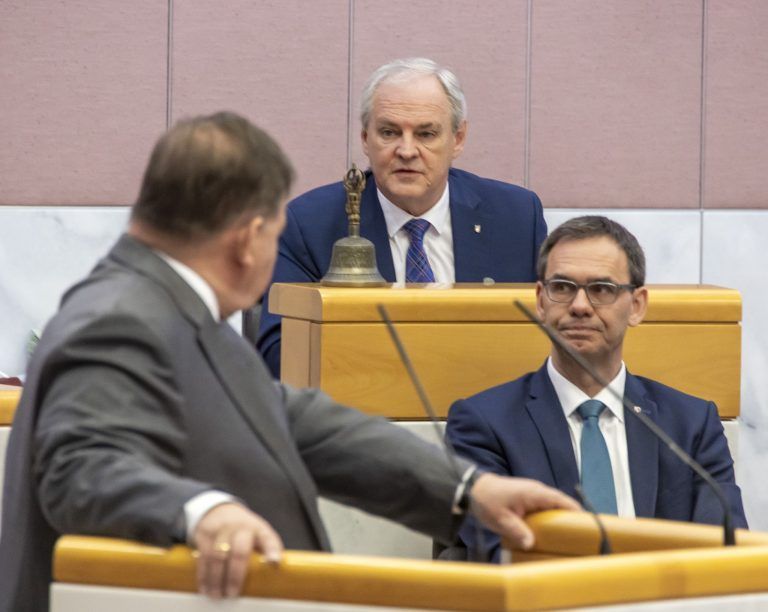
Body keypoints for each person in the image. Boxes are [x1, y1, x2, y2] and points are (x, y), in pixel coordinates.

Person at [0, 112, 577, 612]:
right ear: (249, 238)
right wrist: (201, 512)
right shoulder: (120, 318)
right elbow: (78, 468)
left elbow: (295, 423)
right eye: (276, 233)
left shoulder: (172, 311)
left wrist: (464, 490)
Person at [444, 215, 748, 562]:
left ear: (637, 306)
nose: (579, 306)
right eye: (562, 287)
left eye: (602, 289)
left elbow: (726, 554)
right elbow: (500, 557)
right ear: (541, 301)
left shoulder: (691, 424)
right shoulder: (483, 424)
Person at [256, 57, 547, 377]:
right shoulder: (308, 224)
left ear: (458, 139)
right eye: (389, 132)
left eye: (425, 134)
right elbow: (281, 352)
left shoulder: (516, 218)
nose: (406, 150)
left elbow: (549, 333)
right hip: (361, 415)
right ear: (366, 138)